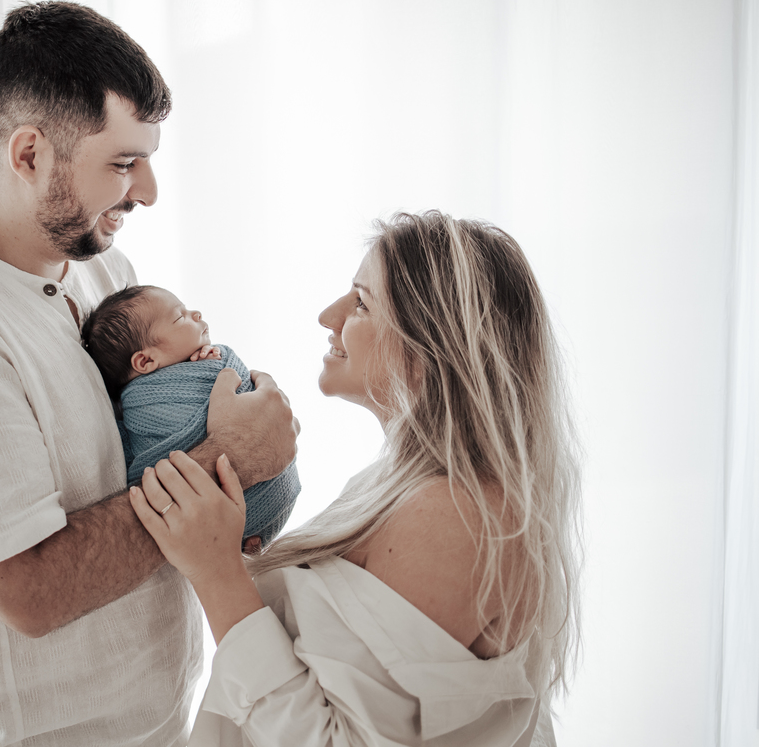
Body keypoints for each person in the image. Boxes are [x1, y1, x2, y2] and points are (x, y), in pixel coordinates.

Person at [0, 1, 298, 746]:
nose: (147, 191)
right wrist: (231, 456)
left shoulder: (103, 272)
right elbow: (30, 589)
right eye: (123, 164)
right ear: (30, 154)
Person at [129, 212, 580, 746]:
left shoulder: (458, 516)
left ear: (432, 344)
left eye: (362, 303)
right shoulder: (397, 485)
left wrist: (218, 572)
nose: (328, 315)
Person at [81, 284, 301, 551]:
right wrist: (216, 368)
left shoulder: (202, 362)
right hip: (241, 509)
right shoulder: (146, 403)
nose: (196, 314)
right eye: (179, 316)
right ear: (146, 361)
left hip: (257, 509)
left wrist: (212, 361)